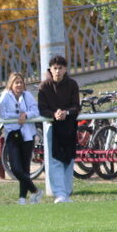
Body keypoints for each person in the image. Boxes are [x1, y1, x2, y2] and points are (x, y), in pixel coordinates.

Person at [37, 56, 80, 204]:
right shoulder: (44, 86)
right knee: (55, 160)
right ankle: (60, 194)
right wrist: (54, 114)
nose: (57, 71)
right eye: (55, 68)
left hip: (70, 126)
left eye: (60, 68)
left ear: (65, 69)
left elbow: (76, 106)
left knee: (69, 159)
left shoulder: (72, 84)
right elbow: (42, 109)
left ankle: (66, 193)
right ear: (50, 69)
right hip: (52, 127)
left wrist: (66, 113)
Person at [0, 72, 41, 205]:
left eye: (21, 82)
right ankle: (35, 190)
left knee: (25, 167)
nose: (19, 85)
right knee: (16, 168)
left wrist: (26, 115)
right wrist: (18, 116)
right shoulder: (5, 96)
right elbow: (3, 114)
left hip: (28, 134)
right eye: (16, 82)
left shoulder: (27, 95)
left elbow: (36, 111)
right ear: (11, 84)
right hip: (13, 134)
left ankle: (22, 198)